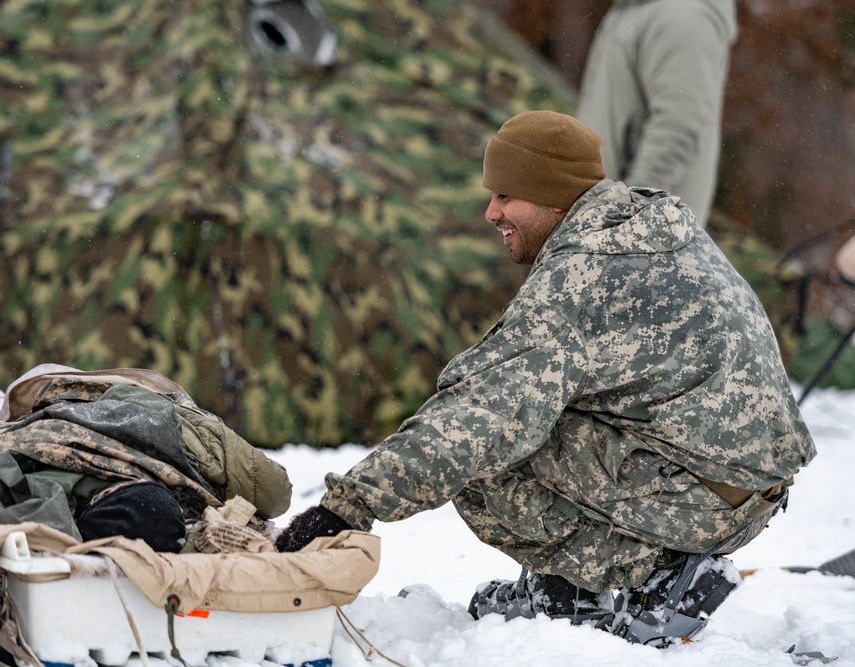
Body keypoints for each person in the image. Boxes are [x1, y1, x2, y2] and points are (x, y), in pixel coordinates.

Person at [275, 110, 816, 646]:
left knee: (483, 457)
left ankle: (656, 578)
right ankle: (577, 584)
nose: (490, 212)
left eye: (507, 196)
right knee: (526, 417)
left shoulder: (581, 275)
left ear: (554, 197)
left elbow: (479, 412)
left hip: (701, 502)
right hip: (739, 489)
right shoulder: (645, 228)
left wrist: (345, 508)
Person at [576, 0, 738, 229]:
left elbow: (679, 126)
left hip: (641, 241)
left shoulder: (684, 16)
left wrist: (627, 208)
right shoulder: (635, 9)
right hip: (610, 226)